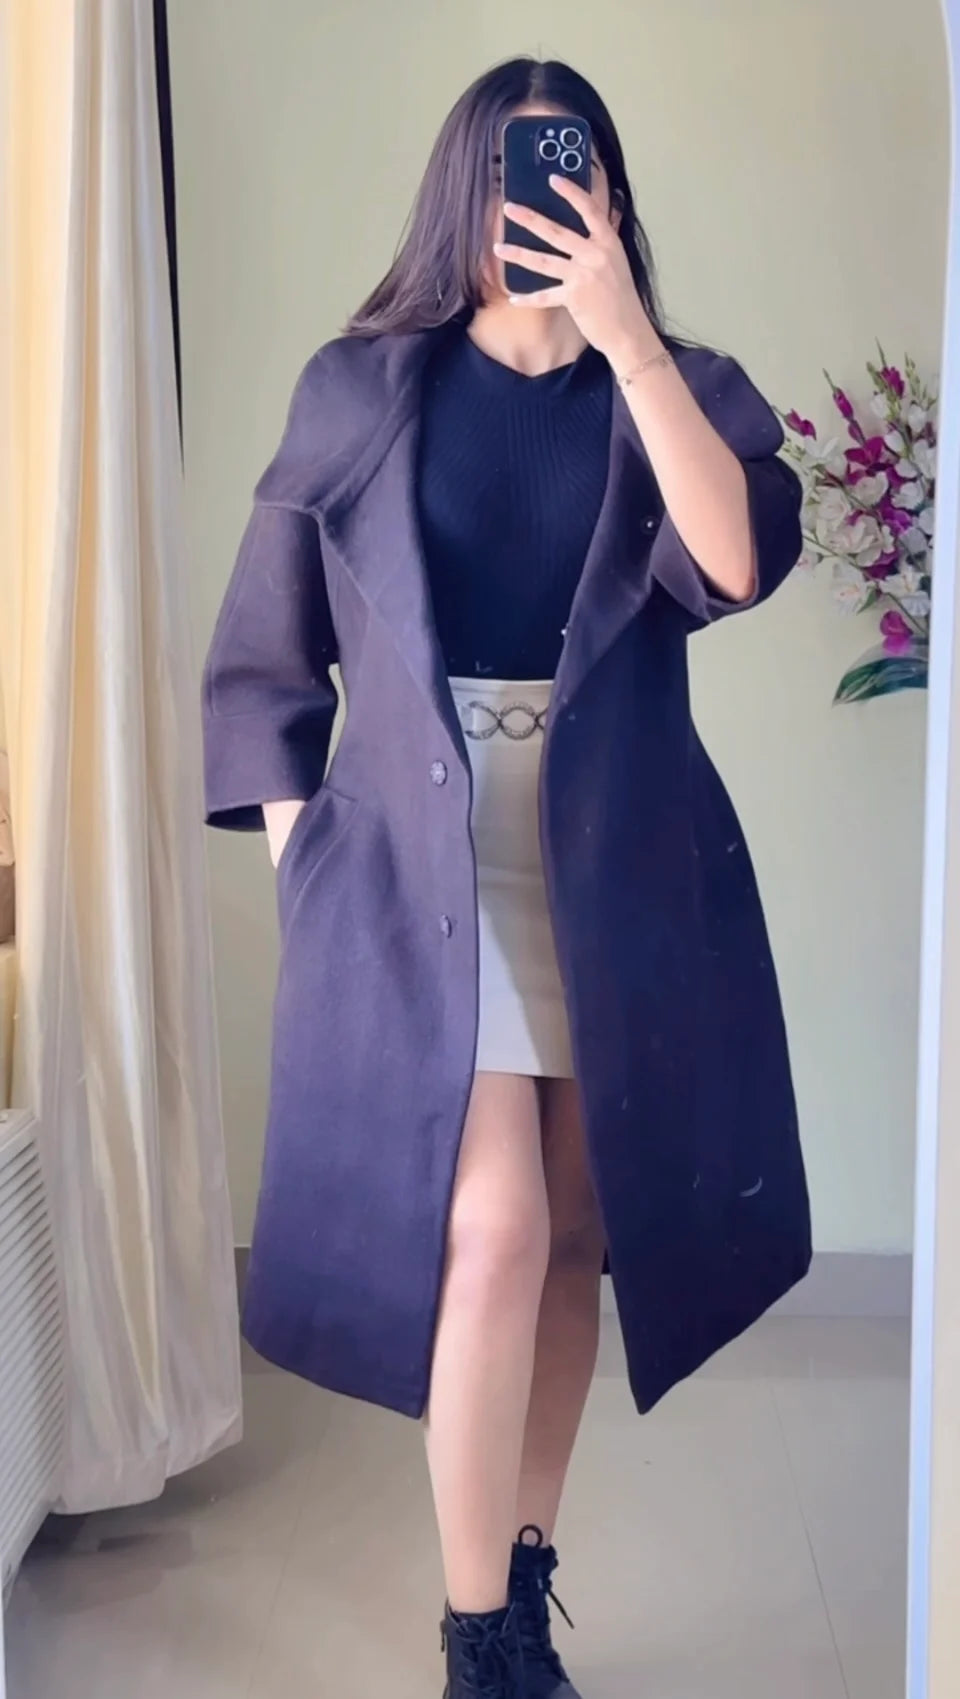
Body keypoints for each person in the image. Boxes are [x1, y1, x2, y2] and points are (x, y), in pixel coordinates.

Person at [202, 54, 811, 1699]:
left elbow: (734, 557)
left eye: (567, 168)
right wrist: (312, 863)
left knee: (574, 1232)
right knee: (494, 1222)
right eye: (506, 173)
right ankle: (479, 1643)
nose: (531, 204)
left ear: (607, 193)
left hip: (610, 857)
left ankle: (523, 1574)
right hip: (419, 853)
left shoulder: (674, 386)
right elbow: (266, 659)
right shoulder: (361, 390)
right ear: (456, 194)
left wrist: (627, 340)